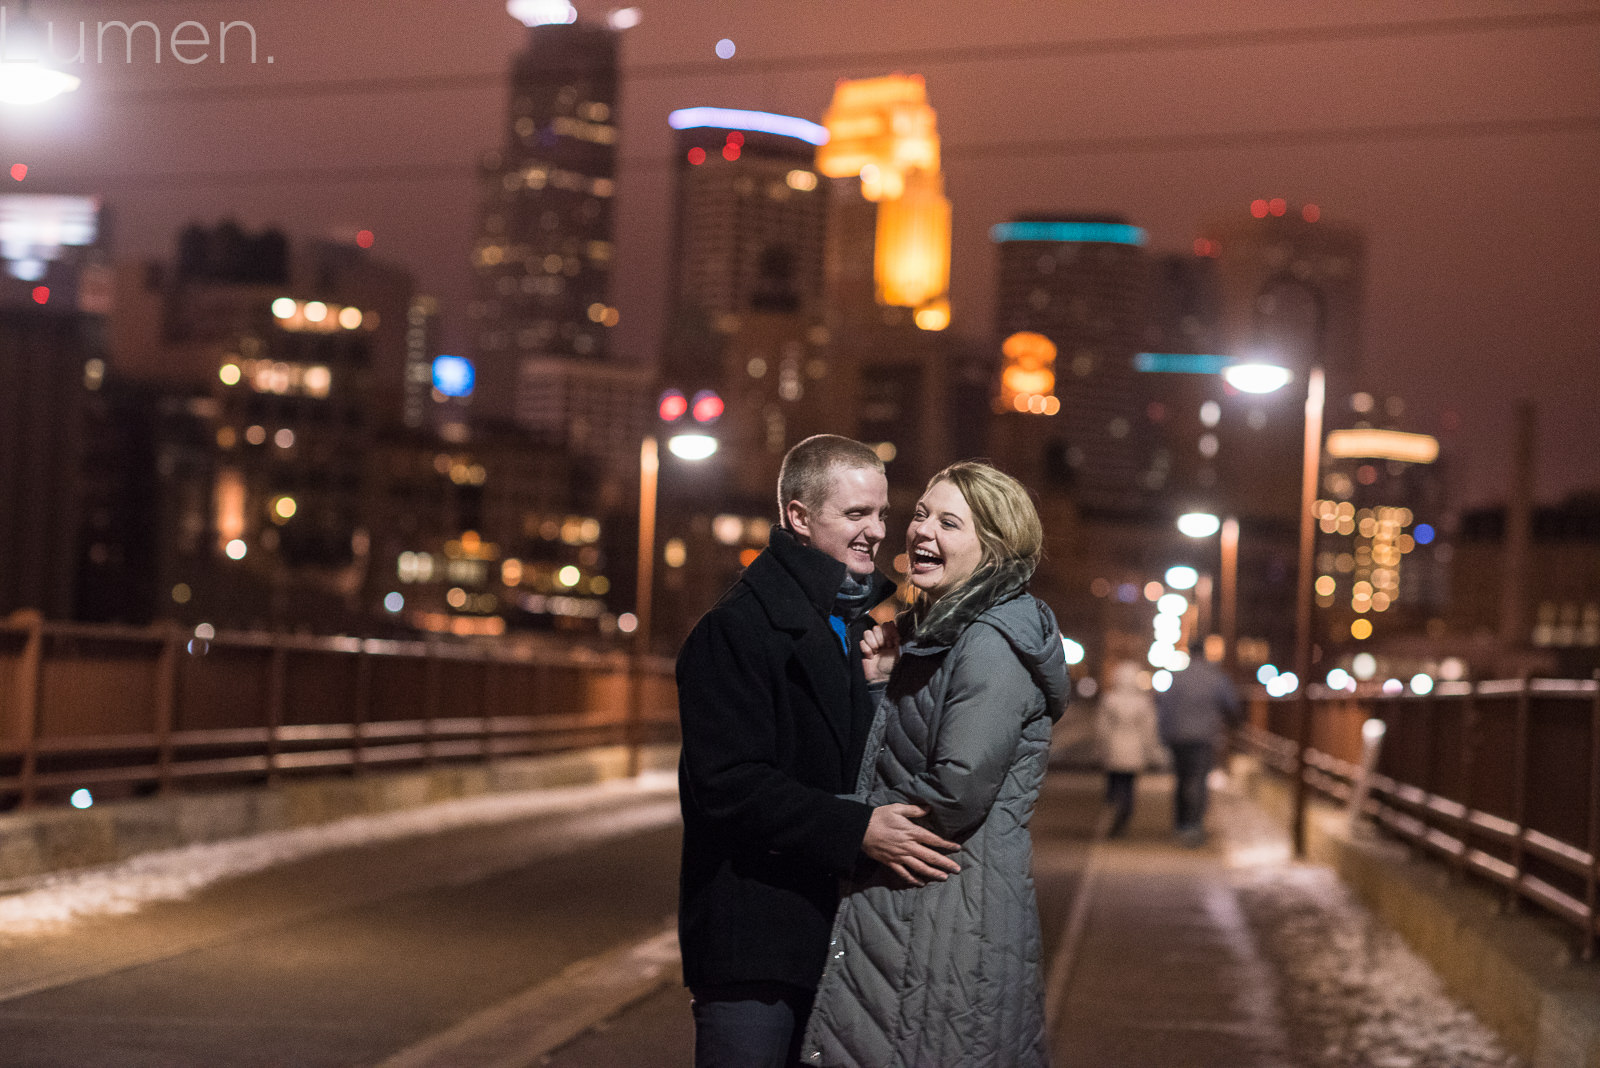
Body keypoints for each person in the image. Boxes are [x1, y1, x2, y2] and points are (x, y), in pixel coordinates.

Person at [676, 434, 963, 1068]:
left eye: (882, 514)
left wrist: (882, 689)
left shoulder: (863, 621)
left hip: (836, 937)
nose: (876, 532)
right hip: (756, 940)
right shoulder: (737, 629)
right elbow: (728, 784)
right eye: (856, 514)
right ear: (799, 517)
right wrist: (857, 829)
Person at [802, 461, 1069, 1068]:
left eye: (950, 522)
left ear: (994, 548)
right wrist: (880, 688)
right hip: (919, 900)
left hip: (947, 908)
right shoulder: (943, 632)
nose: (923, 531)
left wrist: (838, 824)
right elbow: (900, 753)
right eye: (922, 514)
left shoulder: (991, 641)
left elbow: (955, 790)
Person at [1154, 638, 1243, 846]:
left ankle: (1181, 823)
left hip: (1178, 737)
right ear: (1205, 653)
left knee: (1181, 780)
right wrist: (1233, 726)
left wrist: (1163, 735)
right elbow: (1231, 706)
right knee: (1199, 781)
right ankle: (1194, 826)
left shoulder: (1177, 678)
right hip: (1203, 738)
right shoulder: (1215, 678)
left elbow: (1165, 709)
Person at [1095, 661, 1161, 838]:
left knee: (1115, 782)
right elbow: (1149, 730)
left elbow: (1102, 728)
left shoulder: (1109, 700)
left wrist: (1101, 748)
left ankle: (1115, 809)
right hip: (1135, 749)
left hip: (1114, 748)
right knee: (1129, 785)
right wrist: (1151, 751)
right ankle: (1124, 814)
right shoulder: (1143, 702)